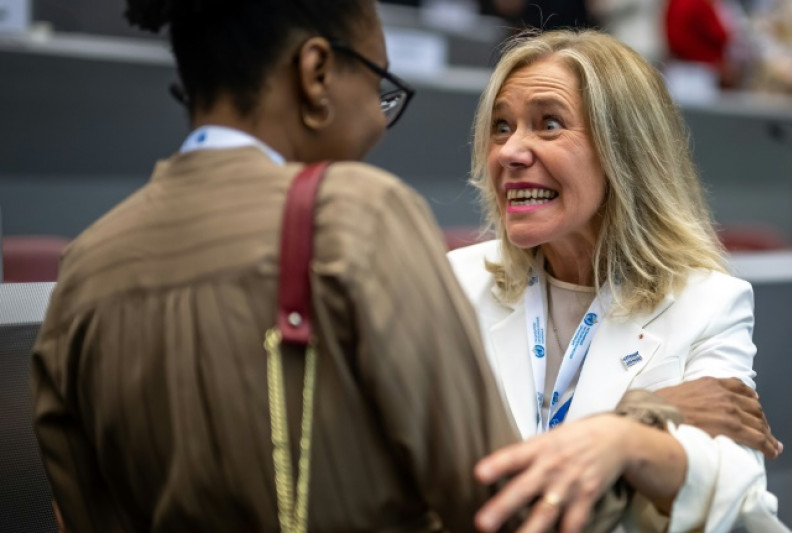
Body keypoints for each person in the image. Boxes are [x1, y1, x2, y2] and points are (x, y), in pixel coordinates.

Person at [30, 1, 533, 531]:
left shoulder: (84, 267)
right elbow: (497, 500)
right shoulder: (357, 216)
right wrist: (627, 434)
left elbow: (78, 510)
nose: (379, 124)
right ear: (315, 74)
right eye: (379, 89)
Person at [448, 30, 790, 532]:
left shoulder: (707, 302)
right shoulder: (456, 282)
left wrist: (622, 439)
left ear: (623, 151)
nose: (510, 152)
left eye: (548, 124)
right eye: (501, 126)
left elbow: (736, 500)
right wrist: (641, 420)